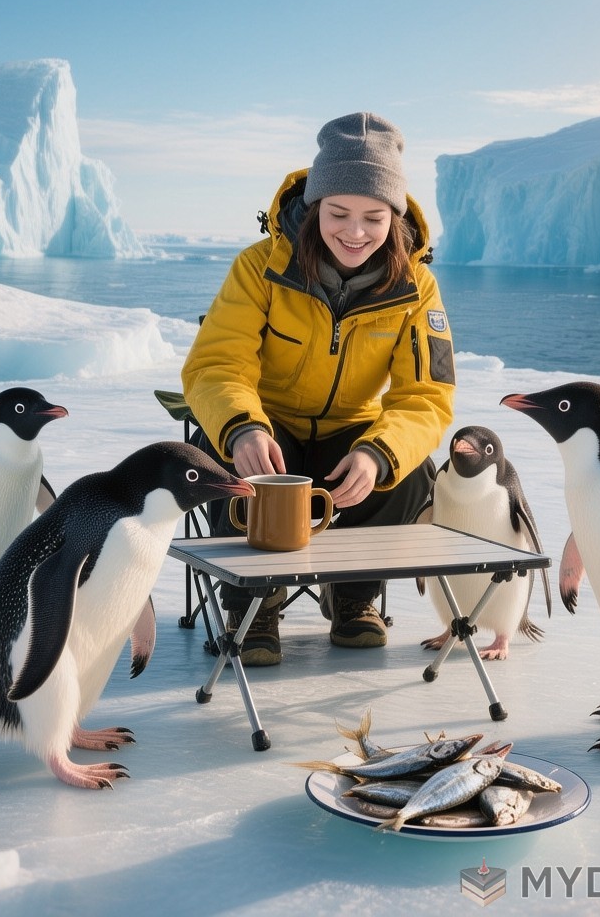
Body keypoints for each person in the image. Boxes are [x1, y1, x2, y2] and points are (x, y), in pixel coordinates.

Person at [181, 112, 455, 665]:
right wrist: (242, 427)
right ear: (313, 209)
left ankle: (353, 597)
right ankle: (252, 604)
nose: (355, 233)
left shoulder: (416, 289)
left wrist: (380, 453)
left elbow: (426, 396)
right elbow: (216, 365)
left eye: (373, 217)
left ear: (395, 218)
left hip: (351, 431)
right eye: (338, 213)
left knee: (407, 472)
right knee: (223, 462)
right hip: (269, 426)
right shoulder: (259, 268)